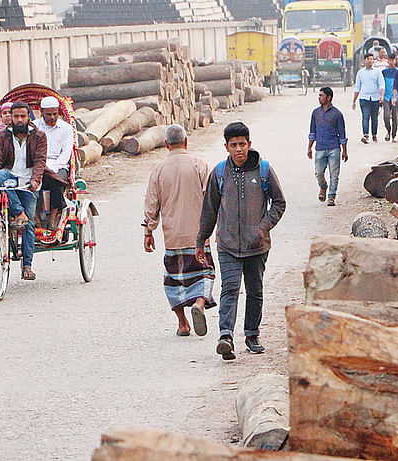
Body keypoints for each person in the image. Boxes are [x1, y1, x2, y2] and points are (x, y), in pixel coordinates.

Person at [196, 122, 286, 360]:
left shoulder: (264, 170)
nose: (239, 150)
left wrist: (263, 227)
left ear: (249, 144)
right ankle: (225, 336)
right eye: (234, 145)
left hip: (257, 245)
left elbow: (279, 203)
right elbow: (209, 210)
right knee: (230, 289)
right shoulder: (218, 173)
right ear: (226, 146)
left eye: (242, 144)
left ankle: (252, 334)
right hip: (227, 244)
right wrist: (201, 240)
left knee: (255, 290)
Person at [144, 124, 215, 337]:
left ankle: (183, 323)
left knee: (173, 280)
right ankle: (200, 304)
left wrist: (149, 230)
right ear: (186, 142)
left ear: (166, 144)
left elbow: (151, 203)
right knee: (205, 274)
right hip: (199, 236)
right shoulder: (200, 164)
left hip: (172, 237)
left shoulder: (158, 170)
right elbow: (212, 199)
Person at [0, 101, 47, 281]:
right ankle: (19, 212)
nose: (19, 120)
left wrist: (35, 181)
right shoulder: (3, 136)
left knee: (29, 225)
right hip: (9, 179)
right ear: (11, 117)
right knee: (0, 175)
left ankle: (27, 265)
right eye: (16, 116)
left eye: (23, 116)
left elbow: (40, 161)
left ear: (29, 118)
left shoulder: (39, 136)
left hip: (28, 183)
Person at [35, 96, 73, 227]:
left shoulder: (66, 128)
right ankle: (36, 218)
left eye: (55, 114)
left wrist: (54, 167)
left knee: (56, 181)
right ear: (41, 112)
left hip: (59, 165)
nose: (52, 117)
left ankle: (53, 218)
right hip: (39, 164)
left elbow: (66, 153)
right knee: (31, 183)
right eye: (48, 114)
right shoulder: (34, 127)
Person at [307, 87, 348, 206]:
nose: (319, 98)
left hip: (334, 148)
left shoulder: (337, 114)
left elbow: (342, 134)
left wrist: (344, 151)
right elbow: (312, 132)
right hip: (320, 147)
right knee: (318, 173)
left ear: (328, 97)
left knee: (334, 174)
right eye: (319, 95)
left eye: (321, 95)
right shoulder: (315, 113)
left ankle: (331, 196)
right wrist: (309, 147)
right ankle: (323, 187)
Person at [352, 52, 385, 144]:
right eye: (368, 59)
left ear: (373, 61)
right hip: (364, 98)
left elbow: (382, 85)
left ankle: (374, 134)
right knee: (365, 116)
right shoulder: (360, 73)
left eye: (371, 59)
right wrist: (354, 101)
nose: (369, 61)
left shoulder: (377, 72)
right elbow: (357, 87)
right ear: (364, 60)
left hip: (375, 98)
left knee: (374, 117)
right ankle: (365, 135)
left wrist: (382, 96)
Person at [381, 54, 398, 142]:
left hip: (396, 97)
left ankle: (394, 135)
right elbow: (381, 85)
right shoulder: (384, 72)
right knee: (386, 116)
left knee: (395, 117)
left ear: (395, 61)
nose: (391, 62)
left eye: (393, 60)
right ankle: (388, 130)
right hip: (386, 97)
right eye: (389, 60)